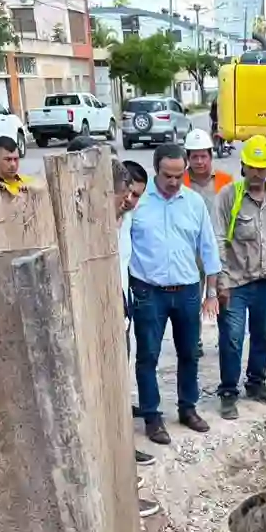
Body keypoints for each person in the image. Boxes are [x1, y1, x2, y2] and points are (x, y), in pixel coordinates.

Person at [128, 142, 221, 444]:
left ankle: (187, 407)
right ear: (157, 170)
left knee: (189, 353)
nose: (173, 182)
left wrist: (212, 292)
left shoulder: (194, 203)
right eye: (168, 175)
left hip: (187, 291)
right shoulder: (138, 203)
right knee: (148, 356)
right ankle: (152, 416)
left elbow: (208, 248)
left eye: (179, 175)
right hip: (148, 291)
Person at [213, 134, 266, 419]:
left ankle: (257, 383)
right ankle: (227, 392)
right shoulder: (229, 196)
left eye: (263, 167)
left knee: (261, 335)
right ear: (244, 165)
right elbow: (218, 240)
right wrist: (220, 281)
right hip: (235, 284)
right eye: (253, 166)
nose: (258, 173)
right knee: (232, 339)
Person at [110, 157, 157, 479]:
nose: (131, 201)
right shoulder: (98, 224)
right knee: (111, 383)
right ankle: (120, 451)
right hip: (103, 312)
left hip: (121, 306)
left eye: (136, 195)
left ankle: (122, 440)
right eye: (127, 194)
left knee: (121, 378)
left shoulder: (124, 220)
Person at [183, 128, 233, 214]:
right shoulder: (179, 181)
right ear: (188, 158)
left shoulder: (226, 180)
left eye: (203, 156)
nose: (199, 161)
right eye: (195, 157)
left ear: (210, 157)